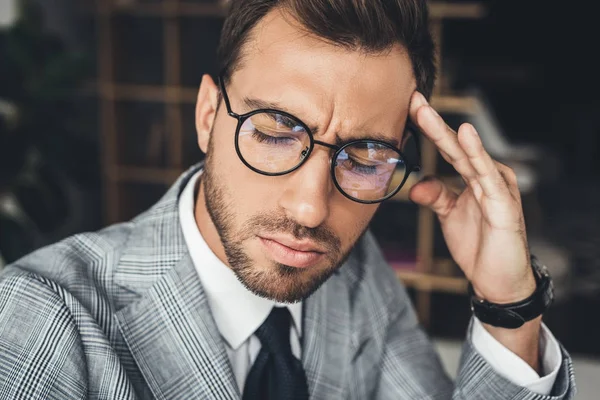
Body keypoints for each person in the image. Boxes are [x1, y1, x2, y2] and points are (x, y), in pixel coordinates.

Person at [0, 0, 576, 399]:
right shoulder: (43, 320)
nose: (310, 211)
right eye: (275, 133)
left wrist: (508, 304)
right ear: (208, 116)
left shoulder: (357, 278)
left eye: (365, 156)